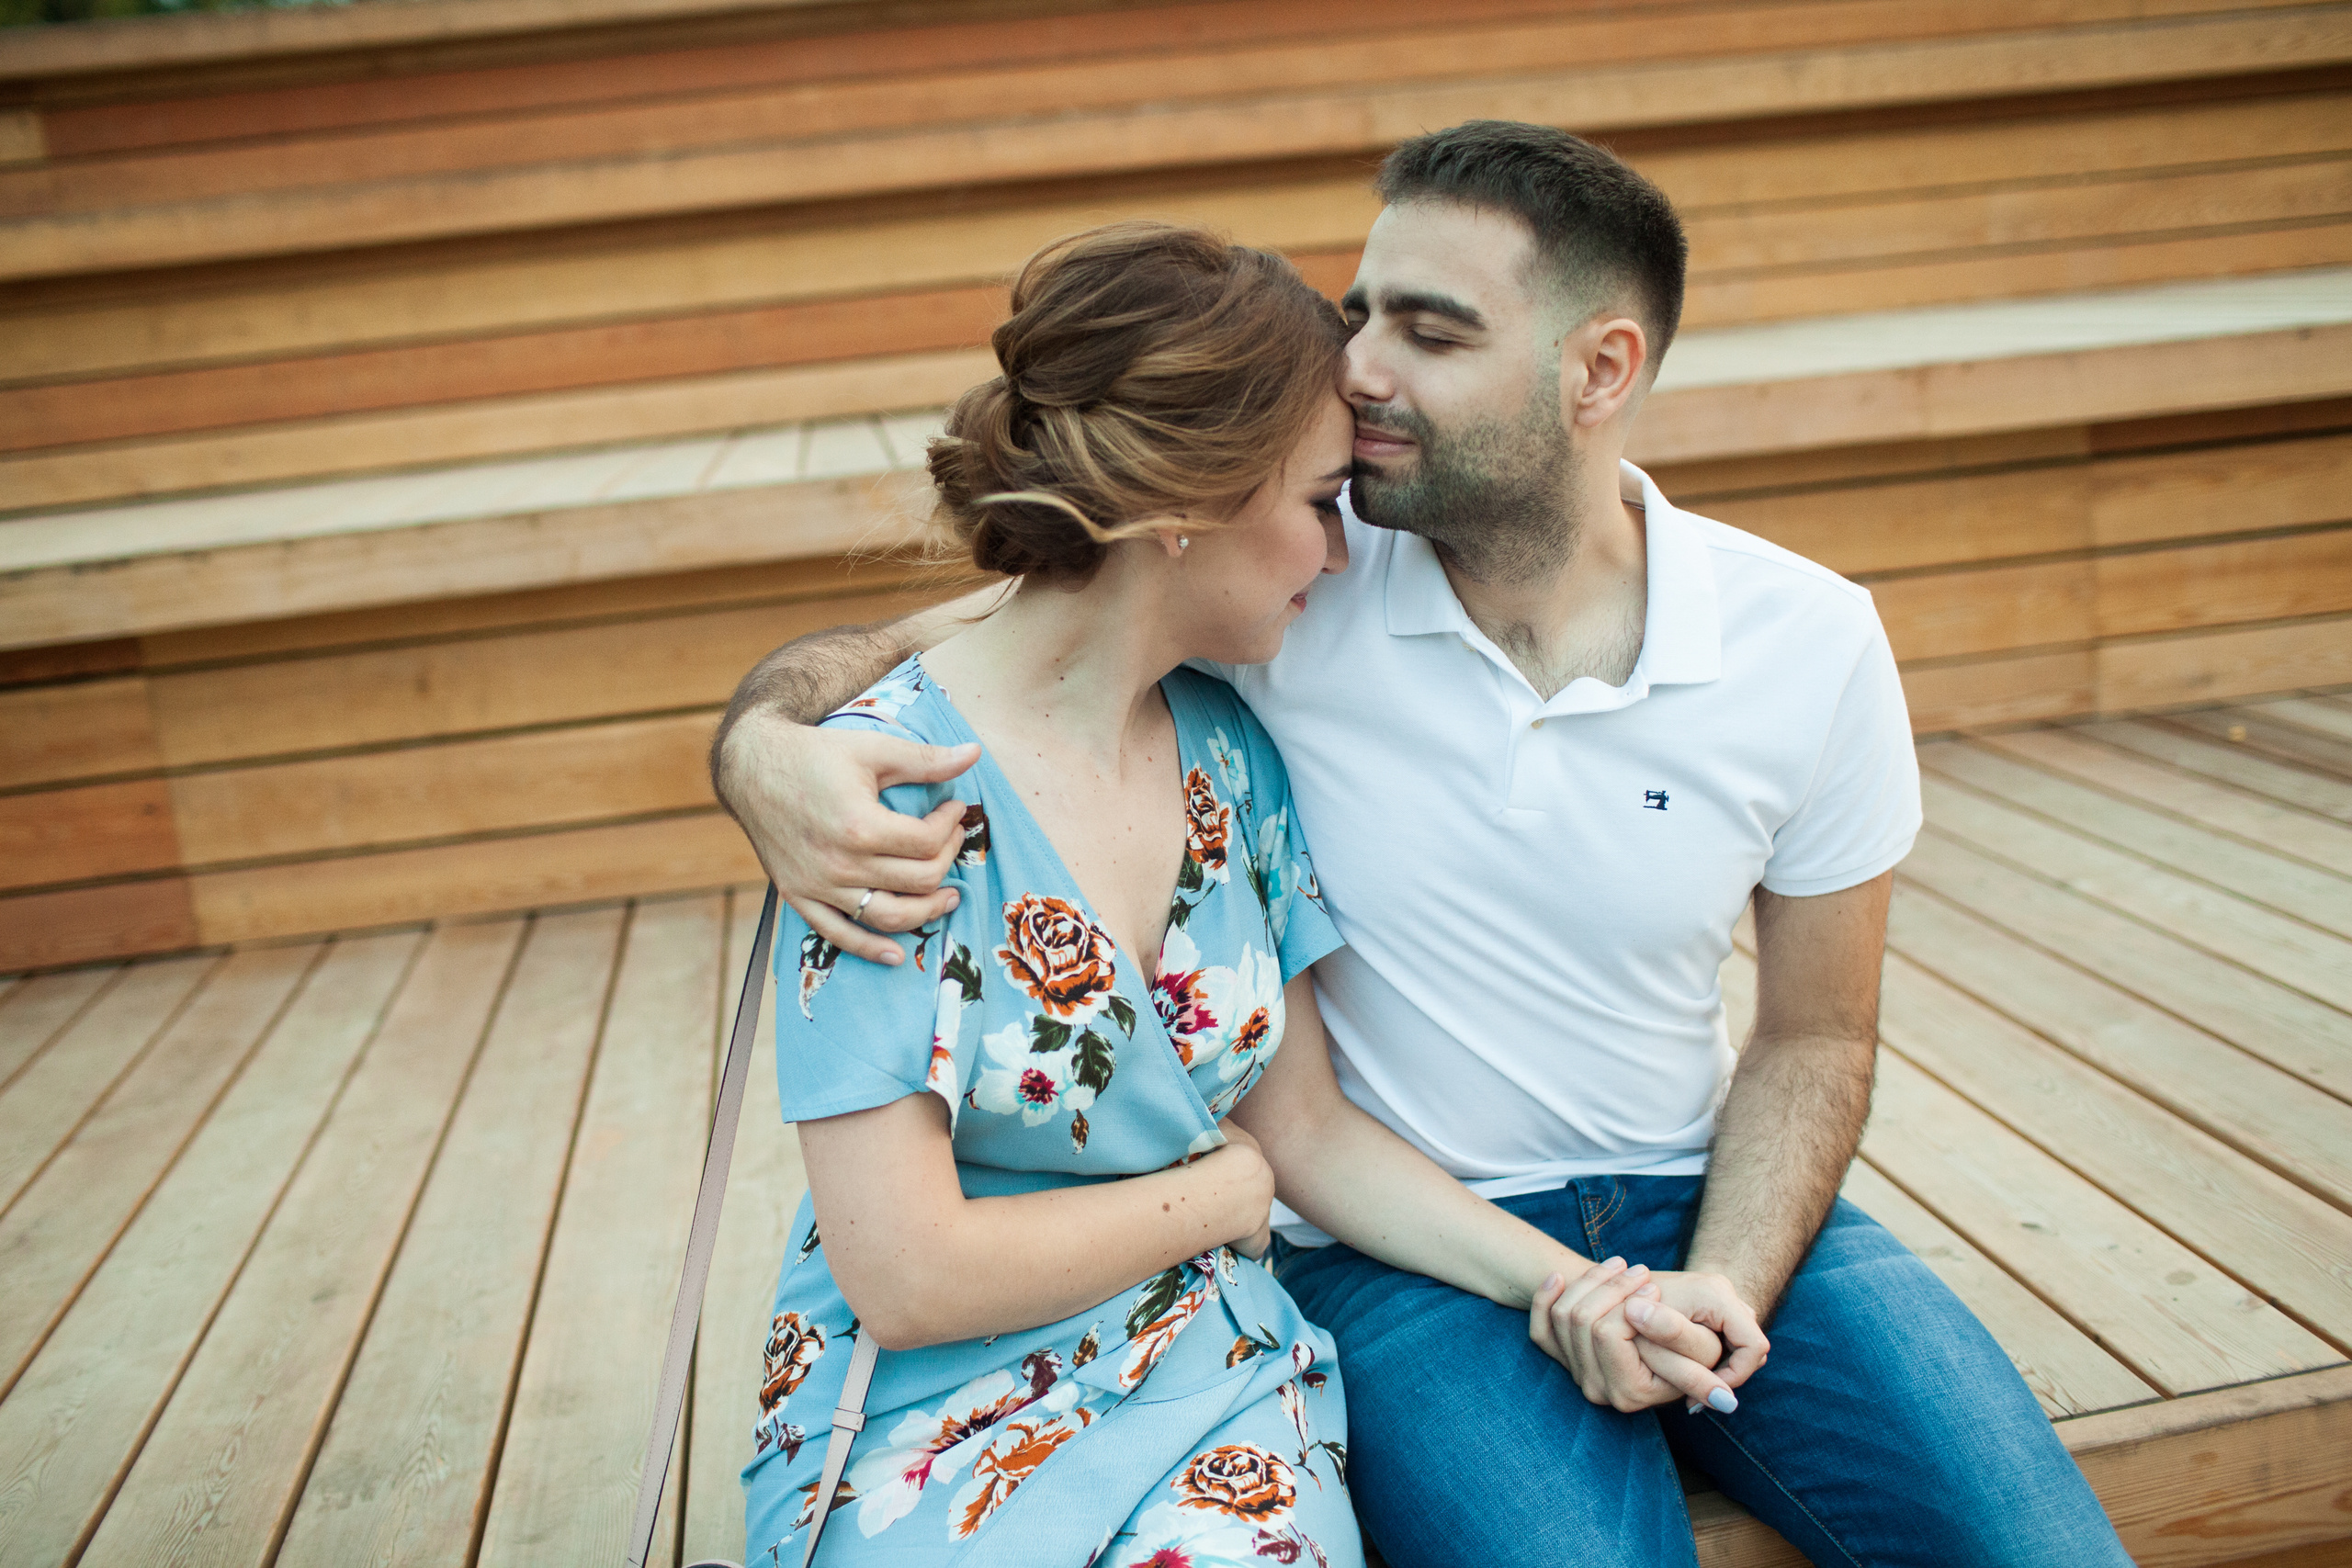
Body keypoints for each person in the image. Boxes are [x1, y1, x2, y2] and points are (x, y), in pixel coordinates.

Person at [717, 128, 2133, 1567]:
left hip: (1712, 1201)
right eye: (1361, 313)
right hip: (1401, 1259)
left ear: (1602, 370)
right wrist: (761, 751)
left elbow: (1817, 1038)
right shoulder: (1281, 588)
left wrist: (1712, 1284)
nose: (1364, 369)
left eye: (1431, 329)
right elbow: (977, 640)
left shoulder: (1806, 640)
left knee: (2045, 1551)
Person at [737, 220, 1747, 1568]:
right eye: (1321, 502)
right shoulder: (880, 799)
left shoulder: (1233, 756)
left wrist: (1576, 1290)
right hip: (928, 1425)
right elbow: (911, 1278)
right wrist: (1224, 1198)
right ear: (1184, 505)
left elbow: (1313, 1135)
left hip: (1217, 1390)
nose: (1339, 559)